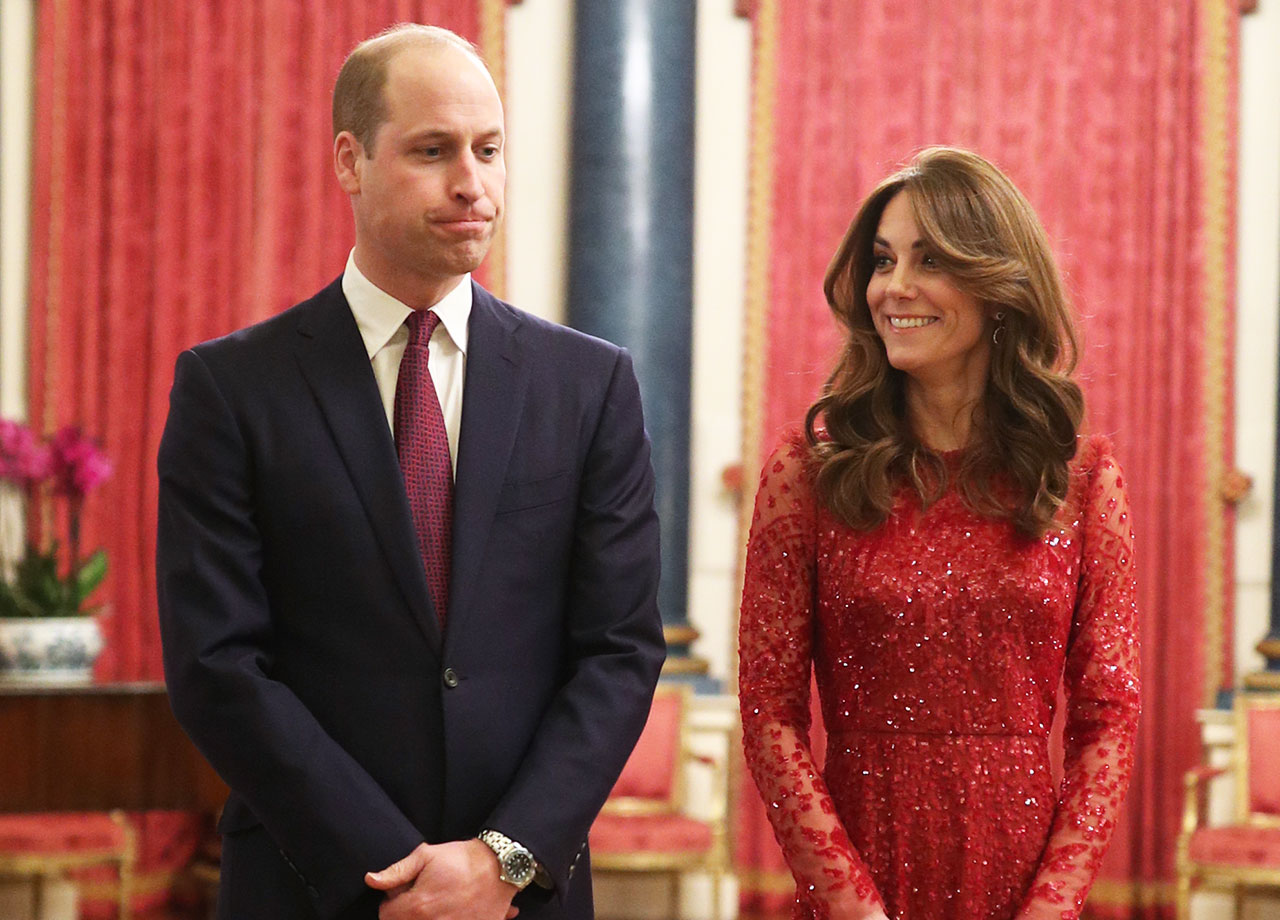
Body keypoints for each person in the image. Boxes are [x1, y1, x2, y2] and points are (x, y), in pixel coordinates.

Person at [157, 24, 664, 920]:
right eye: (434, 151)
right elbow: (218, 664)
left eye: (490, 149)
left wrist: (500, 861)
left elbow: (618, 652)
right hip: (311, 884)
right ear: (350, 162)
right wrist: (393, 869)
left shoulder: (590, 385)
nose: (472, 183)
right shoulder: (231, 389)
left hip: (521, 895)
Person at [738, 146, 1139, 920]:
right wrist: (850, 904)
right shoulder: (807, 473)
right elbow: (769, 714)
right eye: (883, 261)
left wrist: (1051, 907)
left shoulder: (1082, 478)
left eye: (929, 260)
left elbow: (1109, 720)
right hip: (857, 875)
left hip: (1024, 882)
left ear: (997, 287)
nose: (894, 287)